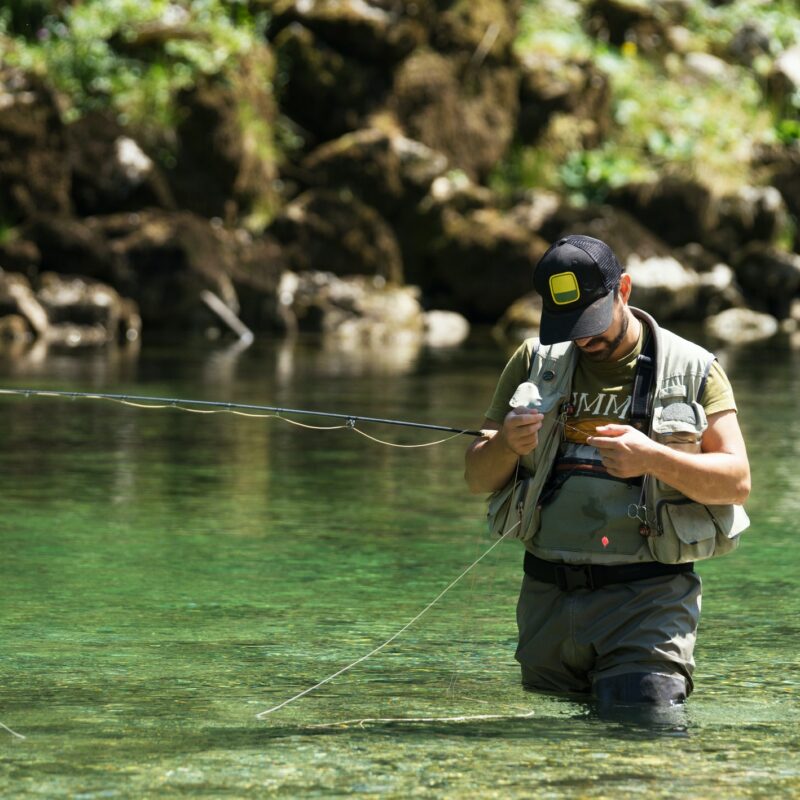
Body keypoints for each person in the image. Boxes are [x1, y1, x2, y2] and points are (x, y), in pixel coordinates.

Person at [464, 234, 751, 708]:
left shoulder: (695, 368)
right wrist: (508, 445)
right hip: (546, 605)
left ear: (624, 290)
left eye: (592, 322)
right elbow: (477, 477)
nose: (583, 338)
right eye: (569, 325)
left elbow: (737, 482)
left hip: (648, 603)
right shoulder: (533, 362)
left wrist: (654, 458)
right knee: (550, 762)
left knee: (643, 741)